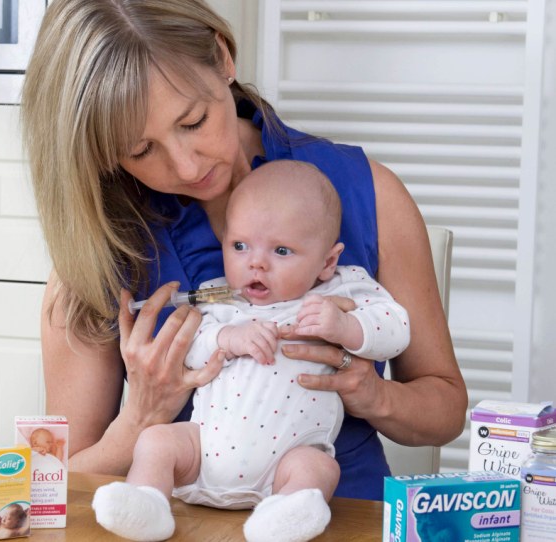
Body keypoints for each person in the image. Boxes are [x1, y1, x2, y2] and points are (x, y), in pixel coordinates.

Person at [21, 0, 467, 505]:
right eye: (141, 150)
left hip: (338, 517)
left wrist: (375, 395)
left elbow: (445, 410)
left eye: (193, 120)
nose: (187, 167)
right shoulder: (100, 243)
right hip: (174, 523)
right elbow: (48, 487)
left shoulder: (370, 193)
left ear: (222, 58)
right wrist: (142, 418)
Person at [91, 159, 411, 541]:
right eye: (239, 245)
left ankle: (285, 517)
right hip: (203, 456)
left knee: (319, 468)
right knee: (156, 441)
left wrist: (348, 327)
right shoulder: (221, 299)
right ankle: (149, 504)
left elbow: (396, 327)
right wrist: (226, 339)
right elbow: (191, 347)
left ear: (327, 261)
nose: (255, 262)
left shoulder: (341, 290)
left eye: (281, 250)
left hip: (286, 463)